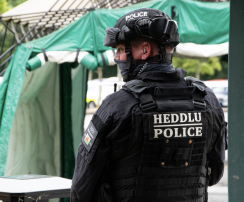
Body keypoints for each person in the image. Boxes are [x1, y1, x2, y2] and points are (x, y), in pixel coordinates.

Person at [70, 8, 227, 202]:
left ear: (145, 50)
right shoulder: (207, 100)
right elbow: (214, 173)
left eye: (120, 49)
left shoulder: (118, 106)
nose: (117, 57)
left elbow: (82, 187)